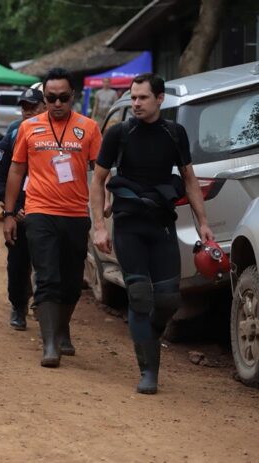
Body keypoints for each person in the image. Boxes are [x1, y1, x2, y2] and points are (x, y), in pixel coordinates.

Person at [90, 73, 214, 394]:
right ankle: (148, 370)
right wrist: (99, 226)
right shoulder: (119, 133)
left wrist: (203, 222)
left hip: (161, 223)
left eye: (142, 98)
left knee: (169, 299)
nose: (136, 103)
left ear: (160, 99)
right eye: (133, 98)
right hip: (129, 223)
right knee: (141, 296)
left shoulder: (175, 134)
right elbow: (98, 178)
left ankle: (149, 333)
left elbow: (188, 178)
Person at [3, 68, 102, 368]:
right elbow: (17, 170)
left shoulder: (89, 128)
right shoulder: (28, 128)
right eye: (50, 98)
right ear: (43, 98)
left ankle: (62, 328)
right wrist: (8, 213)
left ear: (73, 96)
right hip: (39, 212)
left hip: (75, 213)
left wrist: (102, 209)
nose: (56, 103)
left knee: (72, 282)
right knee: (47, 277)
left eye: (62, 98)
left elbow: (100, 173)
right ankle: (49, 344)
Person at [0, 86, 45, 330]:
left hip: (48, 211)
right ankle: (18, 305)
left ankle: (45, 309)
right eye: (24, 107)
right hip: (20, 212)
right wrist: (12, 209)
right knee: (18, 262)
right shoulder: (14, 132)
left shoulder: (55, 133)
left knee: (49, 262)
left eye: (33, 107)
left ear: (44, 107)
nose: (28, 112)